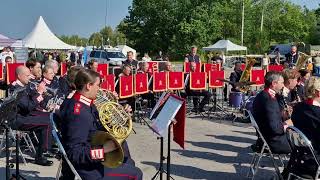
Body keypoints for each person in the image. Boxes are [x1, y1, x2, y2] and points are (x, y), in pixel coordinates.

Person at [60, 69, 142, 180]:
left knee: (127, 159)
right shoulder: (79, 114)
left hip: (93, 155)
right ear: (89, 85)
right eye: (98, 85)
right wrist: (103, 150)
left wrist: (121, 114)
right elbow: (75, 153)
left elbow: (97, 125)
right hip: (89, 169)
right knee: (136, 173)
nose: (99, 89)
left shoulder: (83, 102)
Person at [9, 66, 53, 166]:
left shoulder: (25, 85)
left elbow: (33, 101)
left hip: (25, 115)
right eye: (27, 75)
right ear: (19, 76)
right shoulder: (15, 89)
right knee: (46, 124)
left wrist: (41, 94)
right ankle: (43, 153)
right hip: (18, 119)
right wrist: (39, 92)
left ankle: (43, 147)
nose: (30, 77)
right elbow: (28, 106)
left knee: (49, 116)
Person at [282, 76, 320, 179]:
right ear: (318, 92)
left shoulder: (298, 107)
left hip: (299, 156)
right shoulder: (317, 113)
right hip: (314, 160)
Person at [252, 71, 291, 154]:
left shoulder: (263, 94)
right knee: (308, 143)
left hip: (266, 138)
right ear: (274, 83)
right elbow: (276, 129)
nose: (283, 85)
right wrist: (288, 124)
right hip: (275, 141)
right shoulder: (269, 99)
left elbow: (268, 117)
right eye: (282, 83)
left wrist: (282, 114)